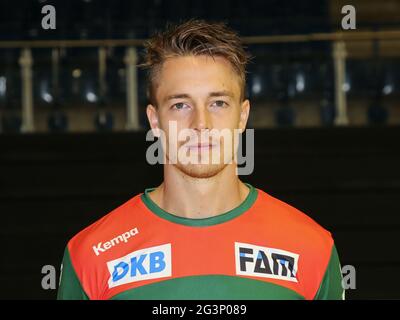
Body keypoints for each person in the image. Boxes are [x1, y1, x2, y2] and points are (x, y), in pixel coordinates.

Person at [57, 19, 344, 300]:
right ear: (155, 121)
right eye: (180, 105)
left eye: (218, 103)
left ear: (242, 116)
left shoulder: (311, 248)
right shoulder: (91, 255)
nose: (201, 123)